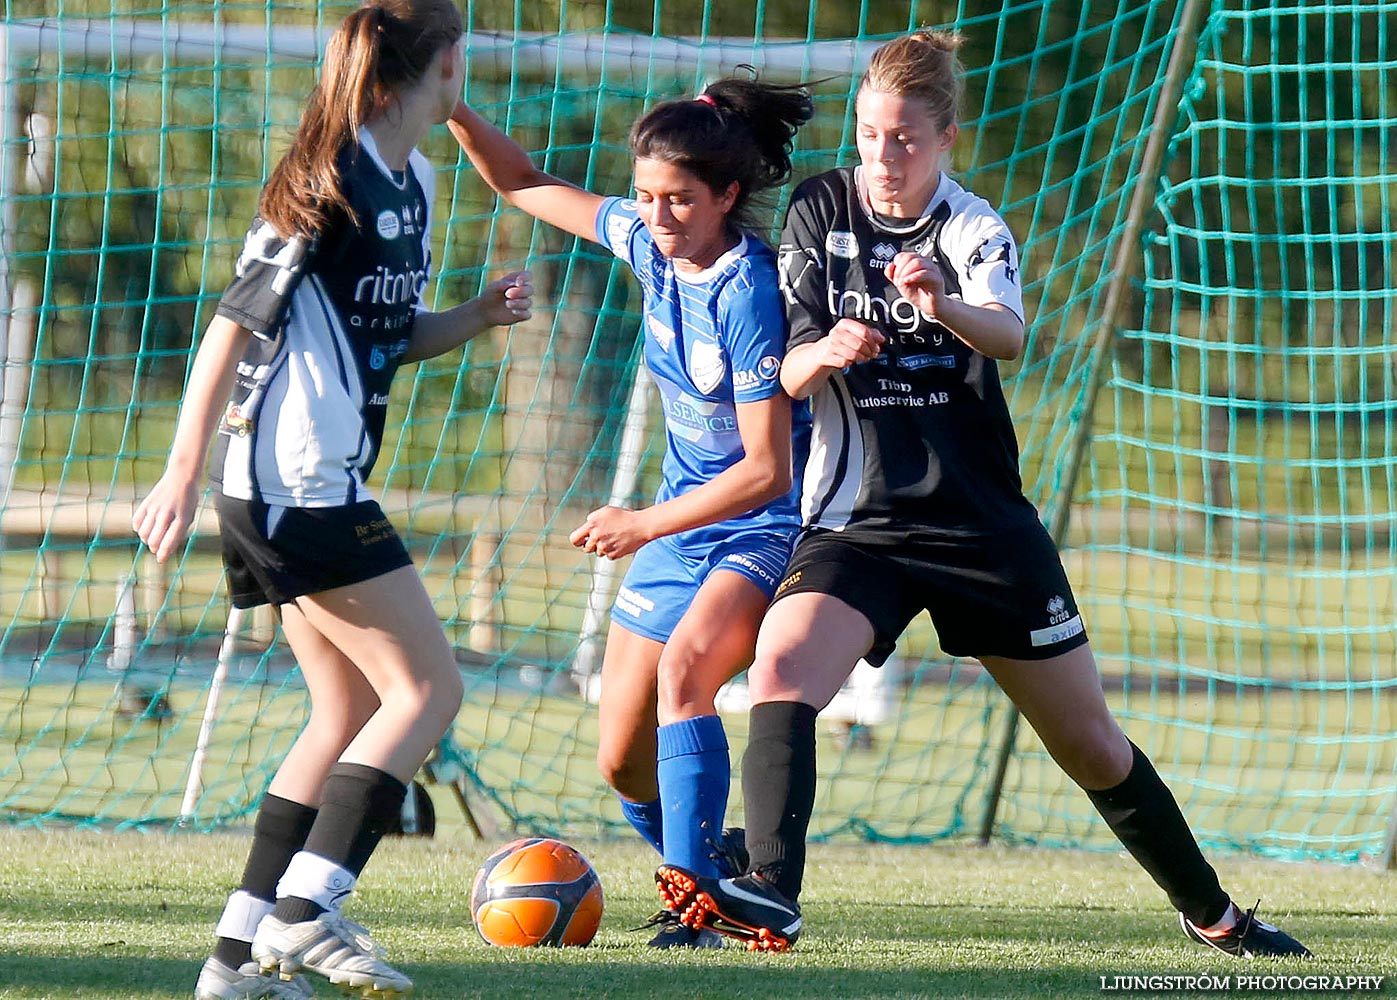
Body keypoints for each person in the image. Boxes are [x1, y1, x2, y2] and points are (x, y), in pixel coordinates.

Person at [656, 28, 1312, 960]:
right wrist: (823, 353)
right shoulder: (819, 207)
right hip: (859, 523)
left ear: (946, 140)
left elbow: (1006, 335)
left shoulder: (968, 227)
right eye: (870, 133)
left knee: (1088, 744)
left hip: (979, 529)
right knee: (782, 666)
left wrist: (940, 305)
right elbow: (787, 371)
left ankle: (1214, 915)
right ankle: (771, 889)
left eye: (906, 139)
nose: (883, 156)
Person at [133, 3, 533, 996]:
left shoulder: (419, 183)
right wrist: (178, 471)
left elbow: (386, 338)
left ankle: (233, 962)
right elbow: (230, 328)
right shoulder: (324, 181)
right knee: (429, 688)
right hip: (287, 482)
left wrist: (475, 318)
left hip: (310, 480)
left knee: (343, 708)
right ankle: (310, 909)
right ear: (447, 66)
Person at [447, 76, 813, 947]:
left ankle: (696, 909)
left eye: (681, 199)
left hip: (759, 526)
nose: (659, 215)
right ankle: (711, 868)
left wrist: (645, 521)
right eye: (646, 196)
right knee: (620, 754)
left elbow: (767, 470)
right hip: (679, 526)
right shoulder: (647, 243)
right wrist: (455, 107)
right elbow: (523, 184)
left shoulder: (748, 291)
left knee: (685, 675)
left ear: (728, 195)